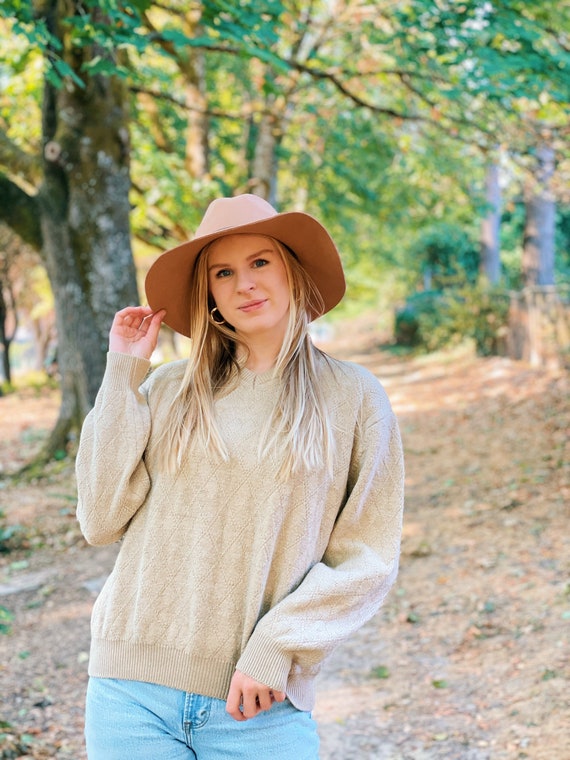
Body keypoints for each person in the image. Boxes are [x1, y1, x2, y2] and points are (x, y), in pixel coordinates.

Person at [76, 193, 405, 760]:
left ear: (291, 271)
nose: (244, 283)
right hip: (131, 695)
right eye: (223, 272)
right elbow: (99, 517)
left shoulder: (353, 398)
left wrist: (277, 646)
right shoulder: (167, 390)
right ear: (209, 293)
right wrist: (123, 371)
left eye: (260, 262)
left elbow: (368, 555)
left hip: (259, 708)